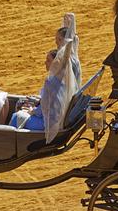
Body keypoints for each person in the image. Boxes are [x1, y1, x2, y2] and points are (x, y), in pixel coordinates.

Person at [10, 14, 81, 143]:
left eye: (59, 40)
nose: (56, 43)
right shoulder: (71, 64)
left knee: (16, 116)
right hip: (62, 115)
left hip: (51, 122)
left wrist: (33, 111)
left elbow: (48, 106)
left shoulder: (55, 78)